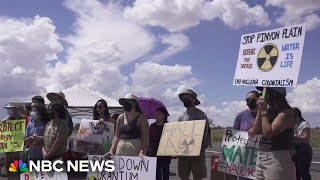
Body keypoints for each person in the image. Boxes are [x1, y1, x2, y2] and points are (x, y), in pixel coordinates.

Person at [252, 87, 296, 180]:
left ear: (275, 94)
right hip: (262, 155)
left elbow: (268, 134)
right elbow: (256, 131)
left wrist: (263, 111)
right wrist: (260, 111)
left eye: (265, 92)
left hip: (277, 157)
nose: (262, 95)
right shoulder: (269, 111)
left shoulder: (286, 113)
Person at [177, 89, 210, 180]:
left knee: (198, 177)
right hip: (183, 153)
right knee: (183, 176)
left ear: (194, 100)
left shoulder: (201, 115)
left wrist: (201, 148)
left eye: (187, 97)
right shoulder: (181, 116)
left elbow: (205, 133)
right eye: (183, 98)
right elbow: (178, 135)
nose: (185, 99)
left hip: (198, 153)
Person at [232, 90, 260, 180]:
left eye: (252, 99)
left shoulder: (265, 115)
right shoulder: (240, 116)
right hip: (244, 157)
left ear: (258, 99)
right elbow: (234, 135)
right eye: (247, 99)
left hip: (261, 156)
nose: (249, 101)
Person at [148, 108, 171, 180]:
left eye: (159, 114)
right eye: (156, 114)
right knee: (156, 174)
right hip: (154, 153)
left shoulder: (169, 126)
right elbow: (149, 139)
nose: (156, 116)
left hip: (165, 154)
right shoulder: (152, 126)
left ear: (164, 116)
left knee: (165, 173)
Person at [3, 102, 23, 180]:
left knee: (18, 167)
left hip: (18, 149)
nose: (9, 110)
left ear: (15, 109)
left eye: (10, 109)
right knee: (9, 167)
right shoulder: (5, 120)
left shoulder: (21, 120)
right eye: (8, 109)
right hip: (8, 148)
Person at [292, 107, 312, 180]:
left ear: (296, 116)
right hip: (296, 149)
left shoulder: (304, 124)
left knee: (304, 172)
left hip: (304, 150)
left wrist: (295, 137)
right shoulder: (295, 125)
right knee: (296, 173)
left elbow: (306, 138)